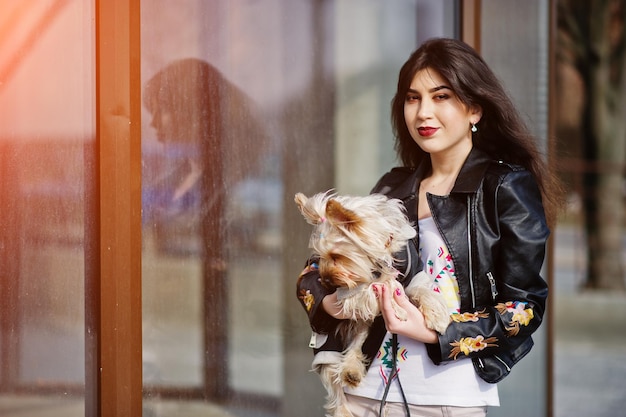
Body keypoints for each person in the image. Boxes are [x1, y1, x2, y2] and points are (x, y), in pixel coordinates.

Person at [296, 37, 562, 417]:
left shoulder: (505, 187)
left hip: (446, 398)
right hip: (361, 394)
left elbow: (523, 309)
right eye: (412, 98)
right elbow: (314, 270)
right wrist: (331, 304)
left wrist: (434, 331)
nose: (423, 112)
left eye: (441, 97)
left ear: (474, 108)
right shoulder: (393, 186)